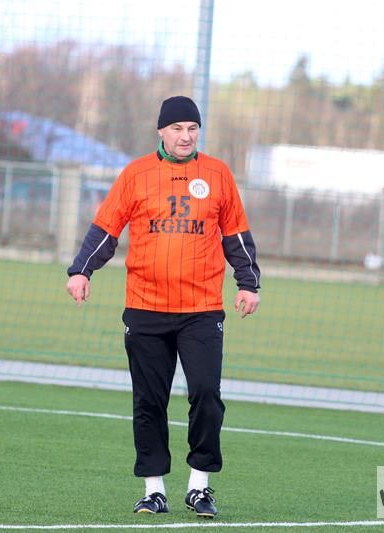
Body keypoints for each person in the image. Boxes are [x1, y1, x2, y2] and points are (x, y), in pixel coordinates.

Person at [66, 96, 260, 519]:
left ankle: (199, 486)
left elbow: (236, 234)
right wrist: (81, 270)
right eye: (177, 128)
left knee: (206, 394)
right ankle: (154, 490)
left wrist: (248, 283)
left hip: (202, 309)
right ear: (161, 131)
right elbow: (106, 228)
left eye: (192, 128)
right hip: (146, 308)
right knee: (149, 401)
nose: (185, 136)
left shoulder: (218, 174)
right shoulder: (136, 174)